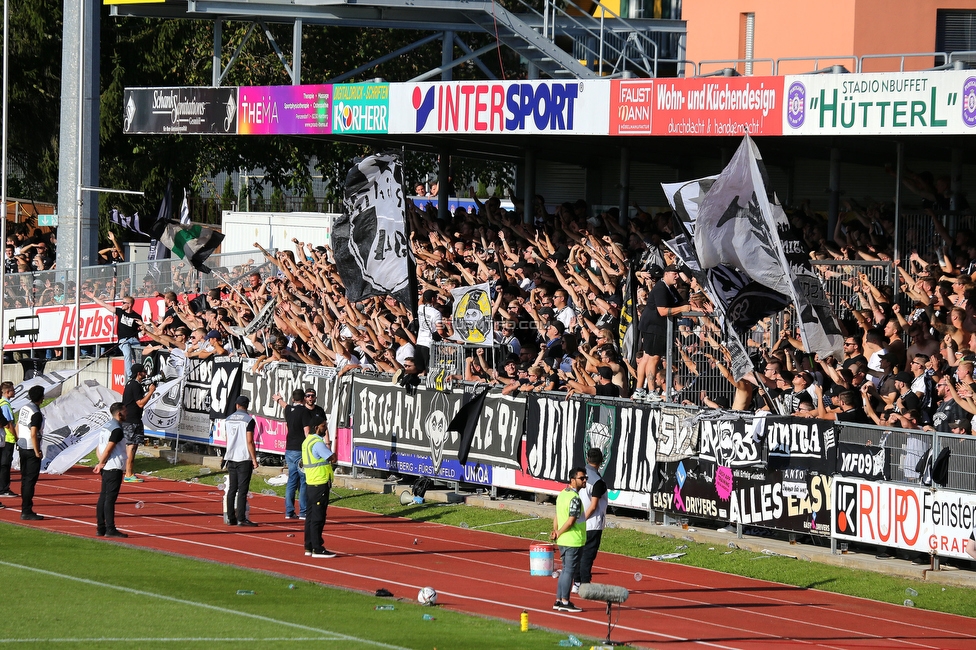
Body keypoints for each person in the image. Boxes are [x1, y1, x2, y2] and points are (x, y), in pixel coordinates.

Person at [635, 265, 692, 398]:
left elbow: (681, 302)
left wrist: (694, 308)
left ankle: (640, 390)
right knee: (653, 358)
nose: (677, 276)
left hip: (653, 326)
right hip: (653, 327)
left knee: (647, 357)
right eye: (674, 273)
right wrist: (684, 308)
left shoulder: (670, 288)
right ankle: (651, 391)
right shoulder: (661, 288)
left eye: (678, 273)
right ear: (666, 274)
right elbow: (662, 311)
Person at [550, 466, 587, 613]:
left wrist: (556, 531)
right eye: (581, 478)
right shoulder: (575, 498)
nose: (584, 480)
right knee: (569, 571)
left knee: (565, 571)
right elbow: (571, 520)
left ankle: (559, 600)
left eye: (585, 478)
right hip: (573, 540)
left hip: (563, 540)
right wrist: (558, 531)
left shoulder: (562, 494)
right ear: (573, 480)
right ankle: (565, 601)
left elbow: (558, 515)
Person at [86, 292, 143, 379]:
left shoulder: (137, 316)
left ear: (130, 304)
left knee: (138, 357)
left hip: (134, 340)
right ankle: (131, 375)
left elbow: (142, 330)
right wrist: (94, 297)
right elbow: (105, 305)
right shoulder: (120, 312)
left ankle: (139, 374)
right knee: (127, 354)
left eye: (124, 303)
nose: (122, 304)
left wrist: (143, 328)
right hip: (123, 340)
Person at [273, 388, 311, 520]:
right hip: (300, 450)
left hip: (289, 449)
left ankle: (289, 511)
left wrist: (278, 399)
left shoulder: (289, 410)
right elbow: (306, 431)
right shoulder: (305, 412)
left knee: (292, 481)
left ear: (293, 399)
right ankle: (303, 511)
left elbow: (284, 405)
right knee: (304, 481)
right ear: (304, 399)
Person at [575, 448, 608, 592]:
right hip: (592, 523)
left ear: (587, 459)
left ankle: (576, 582)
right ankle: (584, 583)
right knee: (588, 555)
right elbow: (594, 505)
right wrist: (583, 519)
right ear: (601, 462)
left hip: (578, 521)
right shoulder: (598, 482)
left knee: (578, 553)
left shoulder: (578, 476)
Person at [93, 402, 129, 538]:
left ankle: (100, 527)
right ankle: (110, 528)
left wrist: (100, 462)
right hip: (113, 467)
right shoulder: (117, 430)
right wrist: (101, 462)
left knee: (103, 497)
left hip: (107, 467)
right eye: (125, 411)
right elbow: (109, 448)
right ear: (119, 413)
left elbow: (99, 447)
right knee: (109, 499)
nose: (127, 413)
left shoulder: (106, 426)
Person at [303, 421, 337, 558]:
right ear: (316, 427)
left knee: (310, 517)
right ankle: (317, 548)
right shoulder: (317, 443)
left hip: (311, 482)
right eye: (324, 426)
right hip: (320, 482)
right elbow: (332, 458)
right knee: (318, 517)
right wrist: (329, 449)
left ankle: (309, 546)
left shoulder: (307, 441)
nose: (326, 429)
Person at [224, 395, 259, 527]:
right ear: (247, 406)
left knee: (232, 488)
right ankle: (241, 518)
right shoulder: (249, 420)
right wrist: (254, 459)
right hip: (244, 457)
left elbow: (228, 439)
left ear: (237, 405)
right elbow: (249, 441)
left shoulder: (228, 419)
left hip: (231, 456)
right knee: (242, 489)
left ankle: (230, 517)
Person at [122, 363, 156, 483]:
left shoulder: (130, 383)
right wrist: (150, 392)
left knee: (132, 447)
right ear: (138, 373)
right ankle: (129, 473)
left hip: (131, 419)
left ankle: (128, 472)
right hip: (132, 420)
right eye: (143, 371)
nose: (145, 373)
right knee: (131, 447)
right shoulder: (135, 385)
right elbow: (140, 403)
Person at [17, 385, 45, 520]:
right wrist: (37, 451)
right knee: (30, 481)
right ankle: (26, 510)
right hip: (30, 447)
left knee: (24, 479)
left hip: (22, 445)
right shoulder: (36, 413)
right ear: (42, 398)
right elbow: (34, 432)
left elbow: (18, 425)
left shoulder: (24, 408)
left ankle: (25, 508)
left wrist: (18, 440)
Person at [0, 381, 16, 499]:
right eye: (12, 390)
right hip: (7, 438)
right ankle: (3, 488)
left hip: (5, 438)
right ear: (7, 392)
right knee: (5, 464)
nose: (14, 392)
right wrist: (15, 436)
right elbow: (7, 423)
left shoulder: (4, 403)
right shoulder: (5, 405)